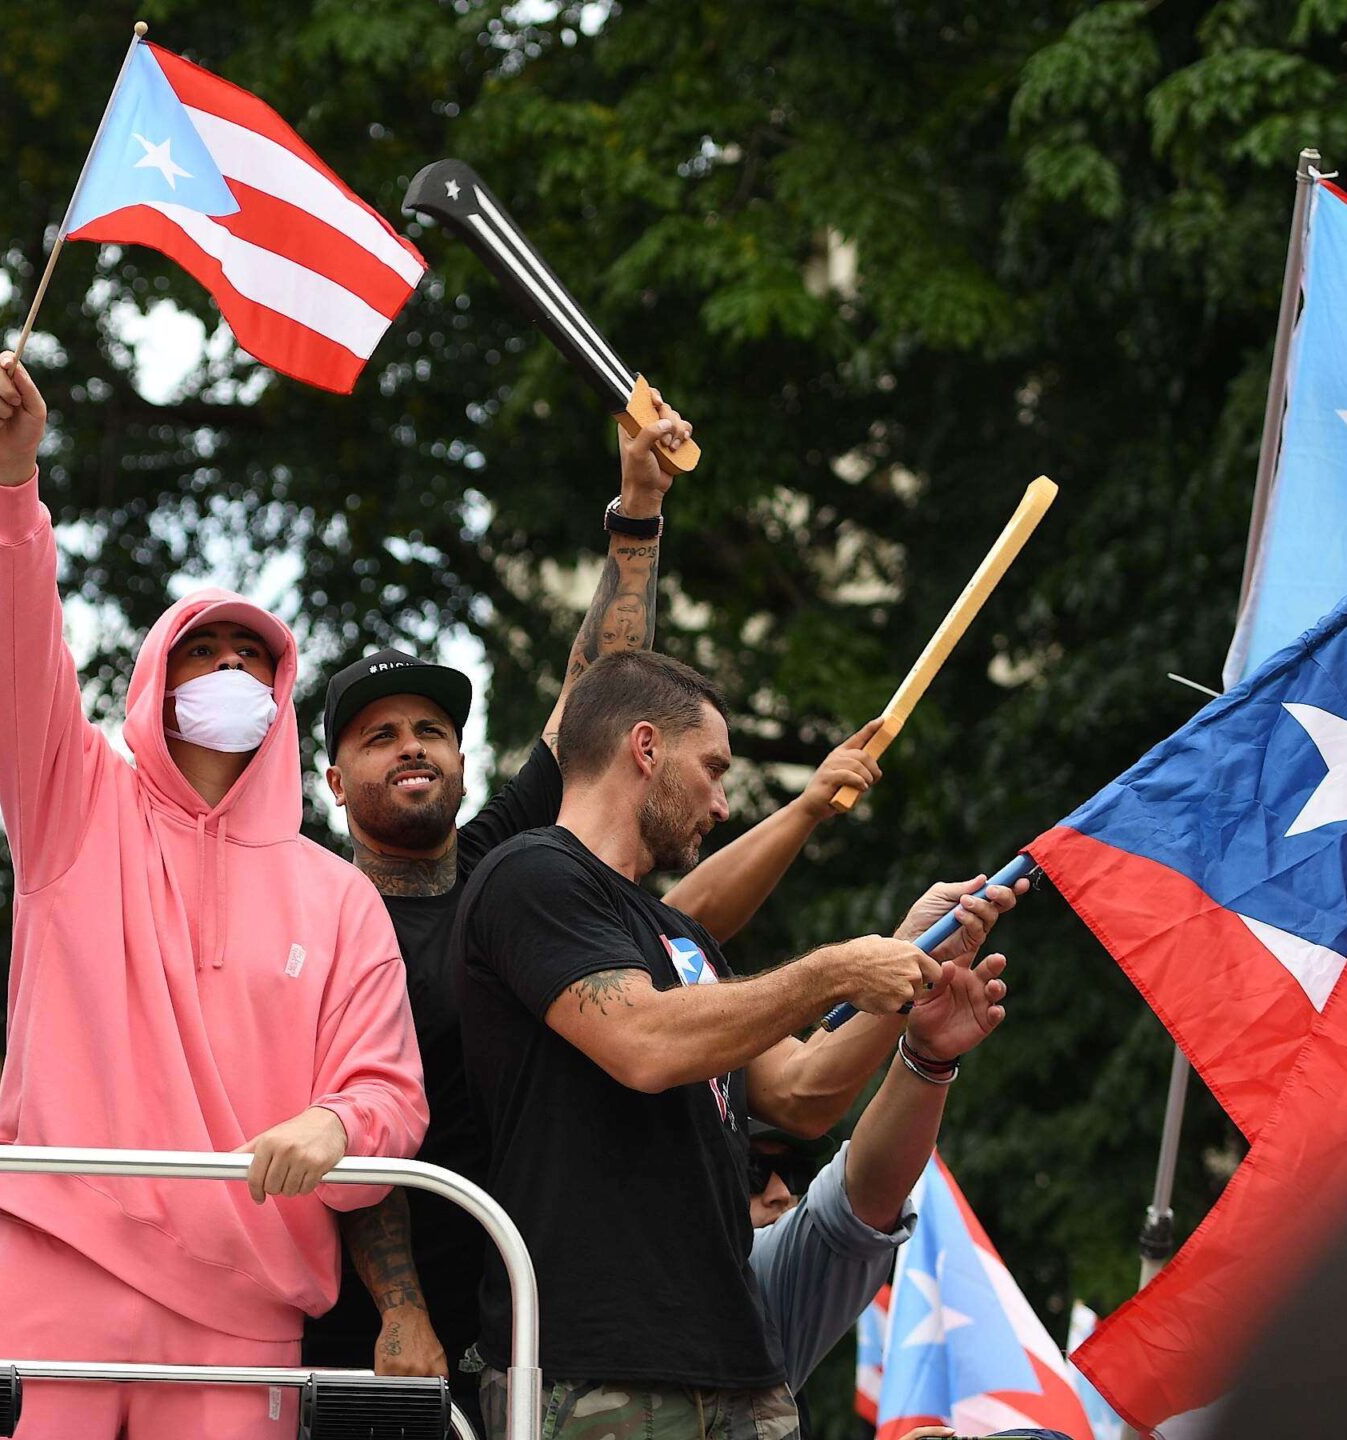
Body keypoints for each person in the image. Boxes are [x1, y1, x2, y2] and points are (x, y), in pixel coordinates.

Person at [304, 399, 901, 1412]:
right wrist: (399, 1306)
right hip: (386, 1324)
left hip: (529, 1298)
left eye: (431, 728)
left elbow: (612, 712)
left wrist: (638, 509)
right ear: (330, 781)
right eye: (378, 735)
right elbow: (358, 1130)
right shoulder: (319, 916)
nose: (411, 745)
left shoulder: (506, 858)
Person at [0, 353, 428, 1439]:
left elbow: (391, 1099)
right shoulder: (69, 806)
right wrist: (14, 484)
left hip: (246, 1297)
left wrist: (334, 1123)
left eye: (250, 658)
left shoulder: (339, 894)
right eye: (201, 651)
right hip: (55, 1258)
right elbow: (20, 648)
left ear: (281, 693)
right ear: (153, 681)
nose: (227, 671)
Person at [459, 650, 1016, 1440]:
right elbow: (642, 1041)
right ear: (645, 748)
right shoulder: (532, 875)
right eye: (713, 768)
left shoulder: (678, 934)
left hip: (741, 1368)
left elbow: (801, 1092)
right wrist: (834, 970)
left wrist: (910, 990)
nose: (723, 803)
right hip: (595, 1366)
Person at [747, 932, 1012, 1394]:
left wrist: (928, 1058)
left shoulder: (749, 1291)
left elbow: (859, 1205)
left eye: (792, 1175)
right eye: (750, 1172)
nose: (781, 1192)